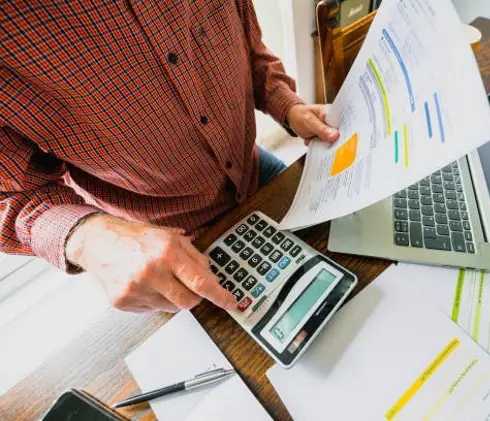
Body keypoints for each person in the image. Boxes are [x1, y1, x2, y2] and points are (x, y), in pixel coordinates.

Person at [0, 1, 339, 313]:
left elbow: (249, 47)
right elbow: (9, 196)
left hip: (260, 175)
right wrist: (89, 238)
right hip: (167, 248)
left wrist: (286, 103)